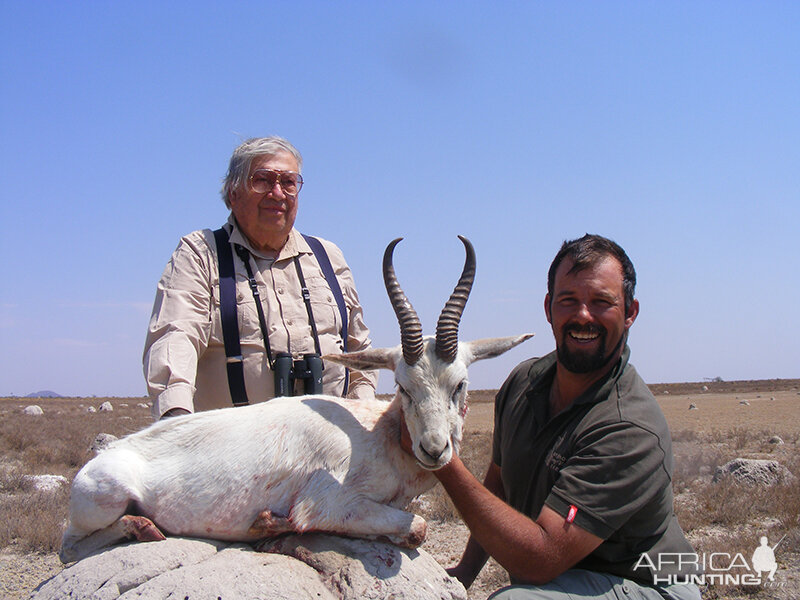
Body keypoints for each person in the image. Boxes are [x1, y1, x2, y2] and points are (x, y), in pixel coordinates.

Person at [423, 234, 701, 599]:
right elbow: (500, 485)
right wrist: (463, 574)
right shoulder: (523, 382)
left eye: (602, 302)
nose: (583, 315)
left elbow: (539, 560)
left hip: (646, 584)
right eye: (568, 300)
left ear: (630, 312)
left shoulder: (629, 429)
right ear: (548, 307)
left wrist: (440, 458)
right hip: (563, 575)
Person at [144, 136, 377, 419]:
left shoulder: (328, 256)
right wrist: (176, 417)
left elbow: (360, 352)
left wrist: (361, 417)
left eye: (288, 182)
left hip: (331, 449)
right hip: (235, 452)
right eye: (263, 181)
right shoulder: (200, 252)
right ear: (233, 193)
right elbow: (175, 335)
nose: (277, 193)